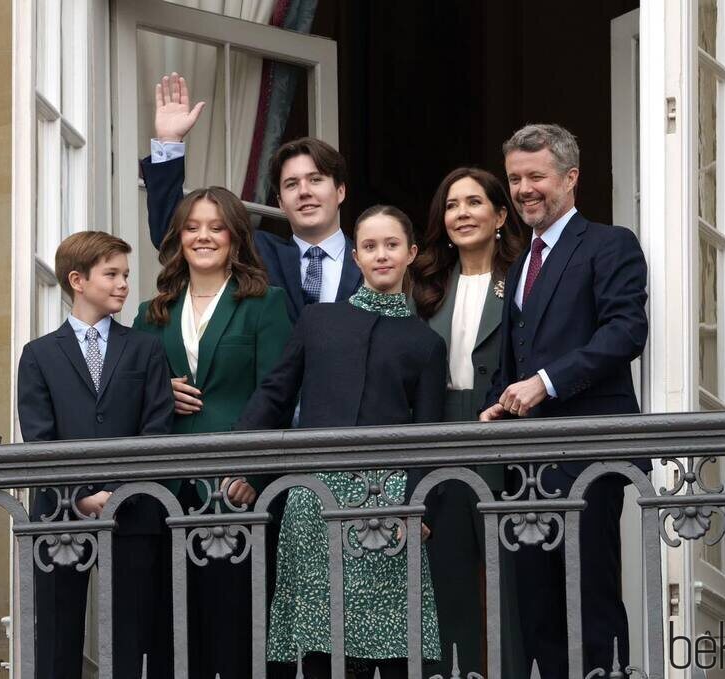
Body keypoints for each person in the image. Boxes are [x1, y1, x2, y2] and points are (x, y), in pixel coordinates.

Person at [237, 205, 446, 679]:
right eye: (370, 247)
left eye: (392, 245)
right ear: (355, 257)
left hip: (388, 502)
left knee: (396, 648)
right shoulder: (318, 320)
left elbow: (428, 436)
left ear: (411, 253)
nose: (381, 255)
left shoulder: (425, 342)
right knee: (319, 647)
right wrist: (238, 458)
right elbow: (275, 393)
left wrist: (419, 508)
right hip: (315, 496)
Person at [479, 124, 649, 678]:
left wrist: (546, 382)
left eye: (536, 176)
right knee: (539, 612)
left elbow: (625, 332)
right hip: (527, 461)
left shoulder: (609, 243)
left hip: (588, 453)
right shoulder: (520, 261)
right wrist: (499, 400)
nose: (524, 188)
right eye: (515, 178)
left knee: (590, 600)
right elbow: (519, 355)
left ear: (571, 178)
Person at [132, 185, 292, 679]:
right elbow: (132, 402)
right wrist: (161, 390)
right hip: (169, 493)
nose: (203, 236)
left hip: (237, 491)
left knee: (237, 636)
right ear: (178, 238)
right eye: (192, 227)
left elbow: (279, 395)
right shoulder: (150, 313)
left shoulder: (265, 303)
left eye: (216, 226)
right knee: (174, 640)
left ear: (236, 237)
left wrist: (255, 475)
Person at [17, 231, 174, 679]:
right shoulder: (39, 355)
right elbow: (40, 441)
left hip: (135, 514)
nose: (124, 283)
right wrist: (80, 495)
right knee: (56, 639)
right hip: (59, 517)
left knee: (131, 636)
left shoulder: (146, 348)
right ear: (77, 280)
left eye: (125, 274)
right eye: (112, 274)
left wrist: (117, 494)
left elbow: (156, 430)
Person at [411, 167, 528, 678]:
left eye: (474, 202)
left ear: (500, 215)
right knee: (447, 574)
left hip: (507, 435)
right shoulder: (426, 285)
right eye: (452, 205)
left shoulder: (525, 276)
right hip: (440, 435)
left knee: (509, 584)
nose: (462, 213)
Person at [143, 72, 362, 326]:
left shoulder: (372, 257)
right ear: (280, 202)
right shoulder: (256, 251)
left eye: (315, 180)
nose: (304, 191)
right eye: (291, 184)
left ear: (341, 191)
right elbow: (172, 237)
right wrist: (169, 142)